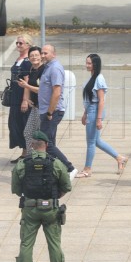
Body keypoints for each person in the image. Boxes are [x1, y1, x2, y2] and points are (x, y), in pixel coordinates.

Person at [11, 131, 72, 262]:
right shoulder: (56, 163)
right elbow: (67, 186)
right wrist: (54, 196)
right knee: (54, 245)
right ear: (46, 145)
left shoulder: (22, 164)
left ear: (32, 145)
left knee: (26, 245)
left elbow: (16, 189)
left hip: (30, 209)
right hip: (50, 209)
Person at [77, 53, 126, 178]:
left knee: (91, 142)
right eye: (86, 62)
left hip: (95, 111)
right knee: (96, 141)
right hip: (91, 110)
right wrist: (84, 114)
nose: (87, 65)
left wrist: (98, 119)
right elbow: (88, 99)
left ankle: (87, 169)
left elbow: (101, 100)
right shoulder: (92, 77)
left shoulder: (99, 78)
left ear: (95, 64)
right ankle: (120, 158)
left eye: (89, 63)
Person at [39, 44, 76, 177]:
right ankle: (53, 172)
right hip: (46, 111)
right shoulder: (47, 67)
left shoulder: (55, 68)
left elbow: (56, 92)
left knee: (46, 143)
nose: (43, 56)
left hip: (52, 112)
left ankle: (70, 168)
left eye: (46, 53)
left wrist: (50, 112)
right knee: (49, 142)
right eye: (42, 53)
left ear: (53, 54)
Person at [8, 34, 32, 162]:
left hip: (21, 96)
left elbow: (27, 81)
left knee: (23, 124)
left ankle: (27, 153)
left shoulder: (28, 61)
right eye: (17, 43)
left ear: (28, 45)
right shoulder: (18, 59)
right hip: (14, 96)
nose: (18, 45)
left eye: (20, 43)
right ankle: (24, 152)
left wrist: (25, 100)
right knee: (15, 124)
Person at [18, 46, 45, 152]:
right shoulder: (32, 69)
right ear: (28, 58)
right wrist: (27, 99)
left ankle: (41, 159)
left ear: (41, 56)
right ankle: (32, 158)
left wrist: (26, 86)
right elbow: (30, 86)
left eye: (36, 55)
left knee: (40, 135)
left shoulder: (44, 70)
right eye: (31, 56)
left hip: (43, 107)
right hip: (35, 107)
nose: (34, 57)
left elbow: (42, 90)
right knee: (28, 132)